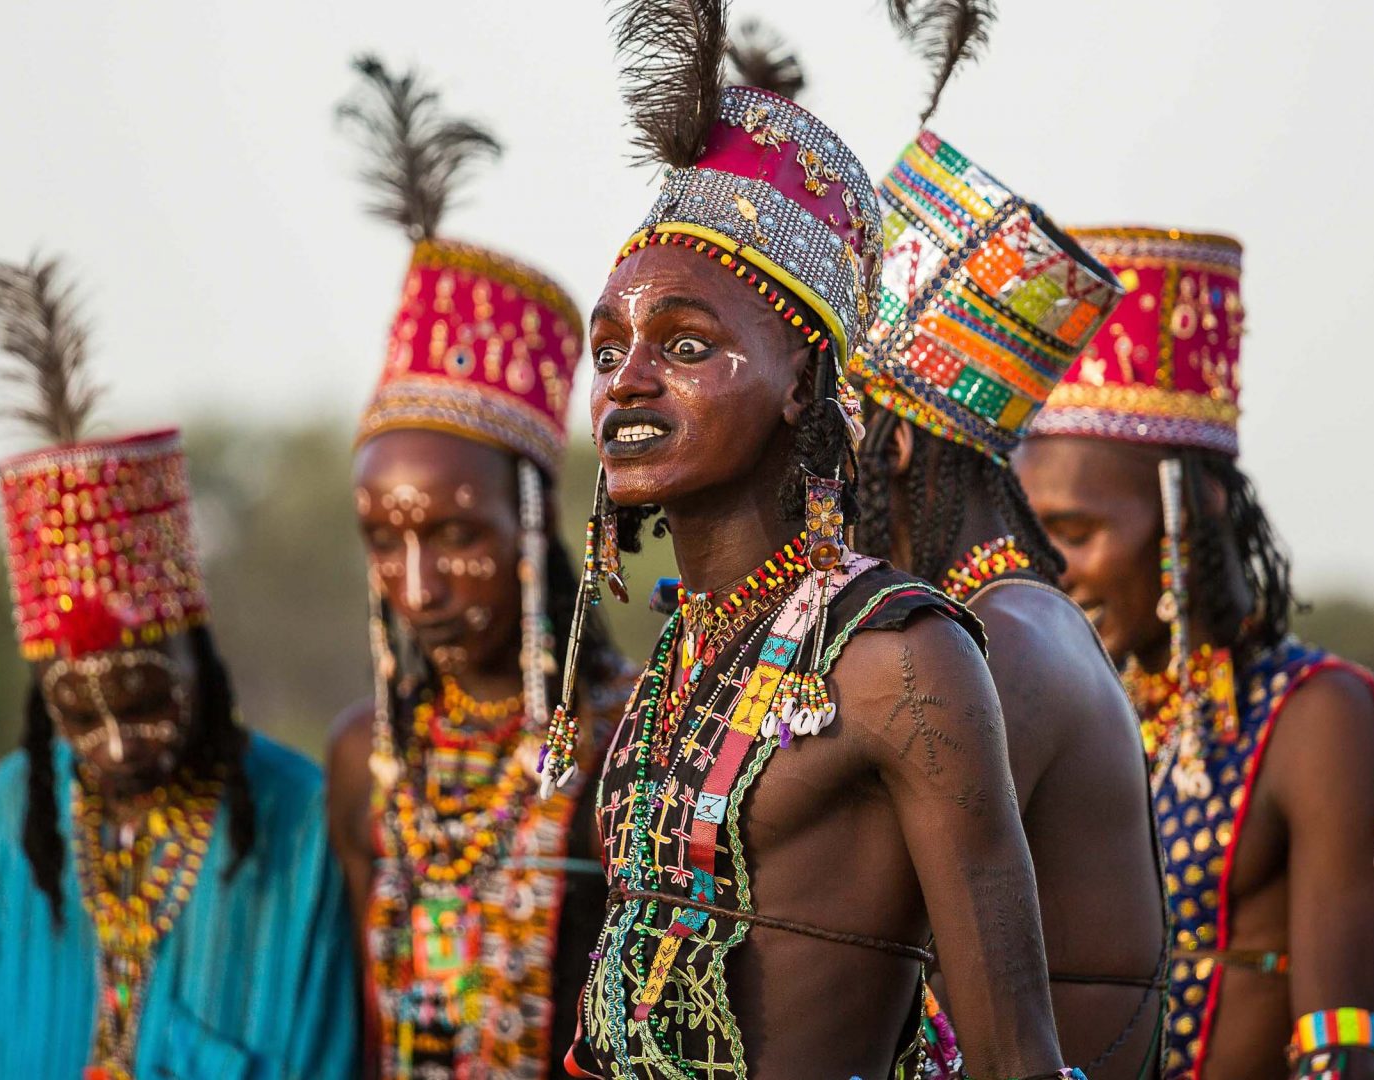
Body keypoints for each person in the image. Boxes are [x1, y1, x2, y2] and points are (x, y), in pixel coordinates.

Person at [538, 3, 1076, 1076]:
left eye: (686, 344)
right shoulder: (680, 657)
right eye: (608, 351)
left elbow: (1018, 1056)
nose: (630, 379)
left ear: (803, 386)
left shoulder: (898, 661)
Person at [1015, 227, 1374, 1079]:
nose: (1052, 572)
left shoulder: (1319, 717)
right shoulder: (1074, 717)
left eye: (1079, 533)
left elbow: (1344, 1056)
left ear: (1188, 513)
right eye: (1033, 537)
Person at [0, 254, 356, 1080]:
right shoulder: (4, 817)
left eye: (147, 700)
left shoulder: (298, 821)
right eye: (79, 715)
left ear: (200, 667)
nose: (119, 745)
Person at [848, 37, 1164, 1072]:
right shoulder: (1005, 622)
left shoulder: (1002, 648)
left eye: (823, 440)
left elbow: (839, 922)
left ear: (891, 448)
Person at [325, 57, 632, 1080]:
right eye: (383, 540)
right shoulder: (364, 757)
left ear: (531, 528)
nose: (417, 589)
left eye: (457, 537)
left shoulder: (627, 736)